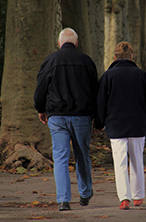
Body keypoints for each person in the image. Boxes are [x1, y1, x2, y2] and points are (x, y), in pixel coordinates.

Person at [33, 28, 97, 211]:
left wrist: (41, 109)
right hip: (82, 116)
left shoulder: (50, 60)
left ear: (60, 43)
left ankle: (63, 200)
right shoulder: (86, 61)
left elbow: (40, 89)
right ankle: (85, 193)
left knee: (60, 157)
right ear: (76, 43)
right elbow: (95, 91)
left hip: (57, 116)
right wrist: (97, 117)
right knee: (82, 155)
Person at [95, 41, 146, 210]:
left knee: (120, 163)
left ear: (114, 57)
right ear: (131, 56)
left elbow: (101, 103)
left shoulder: (108, 76)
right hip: (137, 124)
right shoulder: (141, 75)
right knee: (137, 160)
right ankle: (138, 196)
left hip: (115, 126)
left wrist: (99, 123)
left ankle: (124, 198)